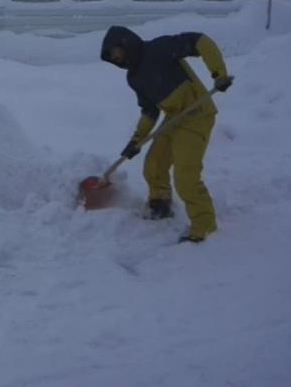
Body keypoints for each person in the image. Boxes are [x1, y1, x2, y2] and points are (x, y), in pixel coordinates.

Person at [99, 26, 232, 243]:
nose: (116, 58)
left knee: (185, 177)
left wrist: (219, 73)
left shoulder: (159, 48)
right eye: (112, 57)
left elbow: (200, 41)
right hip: (173, 118)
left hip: (196, 113)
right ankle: (160, 204)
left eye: (116, 52)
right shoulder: (133, 77)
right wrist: (136, 140)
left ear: (126, 42)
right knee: (153, 166)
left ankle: (204, 225)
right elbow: (150, 112)